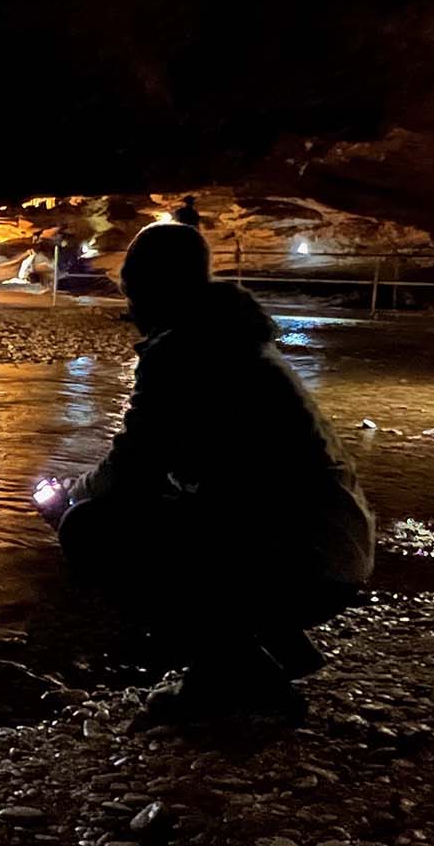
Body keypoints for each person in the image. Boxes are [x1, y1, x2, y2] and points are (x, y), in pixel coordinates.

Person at [33, 221, 373, 722]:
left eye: (133, 292)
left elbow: (132, 469)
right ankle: (276, 649)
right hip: (340, 548)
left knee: (93, 530)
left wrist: (66, 500)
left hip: (304, 562)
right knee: (178, 513)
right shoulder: (237, 339)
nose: (131, 312)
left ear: (154, 288)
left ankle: (239, 678)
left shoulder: (184, 352)